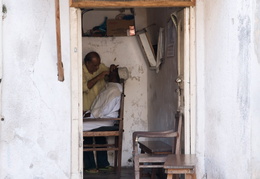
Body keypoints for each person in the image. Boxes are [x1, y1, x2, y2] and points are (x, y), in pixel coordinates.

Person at [83, 66, 129, 173]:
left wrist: (88, 114)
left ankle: (90, 166)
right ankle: (102, 164)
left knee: (79, 128)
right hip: (102, 118)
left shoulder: (114, 90)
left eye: (112, 72)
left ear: (115, 76)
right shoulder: (112, 87)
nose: (109, 72)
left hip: (104, 120)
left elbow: (104, 110)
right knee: (85, 126)